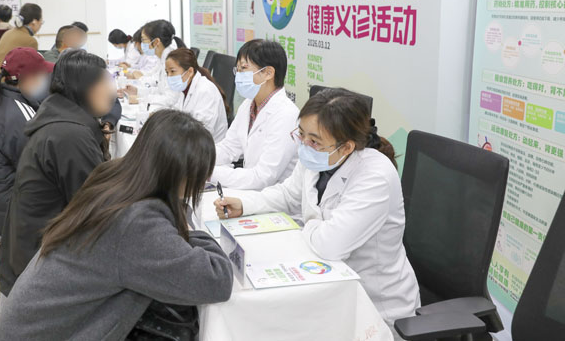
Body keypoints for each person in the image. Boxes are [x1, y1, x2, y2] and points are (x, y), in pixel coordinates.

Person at [0, 110, 233, 341]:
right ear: (180, 173)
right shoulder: (136, 224)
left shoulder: (115, 177)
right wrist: (197, 234)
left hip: (36, 327)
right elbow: (217, 280)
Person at [215, 88, 420, 335]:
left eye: (314, 141)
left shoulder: (375, 177)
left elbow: (330, 245)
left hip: (373, 306)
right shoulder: (319, 155)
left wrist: (309, 222)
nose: (304, 145)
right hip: (327, 285)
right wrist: (245, 204)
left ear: (346, 147)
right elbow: (289, 195)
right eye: (301, 134)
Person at [0, 49, 116, 298]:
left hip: (32, 254)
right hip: (40, 269)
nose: (112, 92)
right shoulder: (70, 136)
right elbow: (98, 211)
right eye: (105, 82)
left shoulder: (60, 117)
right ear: (84, 88)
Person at [0, 47, 54, 235]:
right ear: (28, 78)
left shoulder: (0, 102)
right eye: (43, 75)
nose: (46, 80)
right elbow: (42, 169)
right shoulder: (22, 117)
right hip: (10, 217)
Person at [210, 39, 299, 189]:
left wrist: (208, 173)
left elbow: (263, 177)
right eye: (237, 70)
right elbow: (229, 147)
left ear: (268, 73)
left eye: (244, 68)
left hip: (274, 197)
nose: (238, 75)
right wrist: (197, 160)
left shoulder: (286, 115)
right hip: (250, 189)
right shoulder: (248, 104)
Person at [165, 48, 228, 141]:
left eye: (172, 71)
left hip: (207, 145)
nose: (169, 76)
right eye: (167, 72)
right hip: (188, 141)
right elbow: (175, 114)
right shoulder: (183, 88)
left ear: (190, 72)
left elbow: (202, 132)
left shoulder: (206, 91)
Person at [124, 19, 185, 108]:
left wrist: (141, 99)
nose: (142, 44)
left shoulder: (172, 62)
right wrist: (137, 91)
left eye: (143, 40)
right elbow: (160, 90)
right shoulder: (163, 58)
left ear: (156, 42)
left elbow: (171, 99)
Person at [0, 3, 43, 85]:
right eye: (41, 21)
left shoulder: (8, 33)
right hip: (8, 88)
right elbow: (30, 73)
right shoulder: (30, 41)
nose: (41, 24)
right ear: (34, 22)